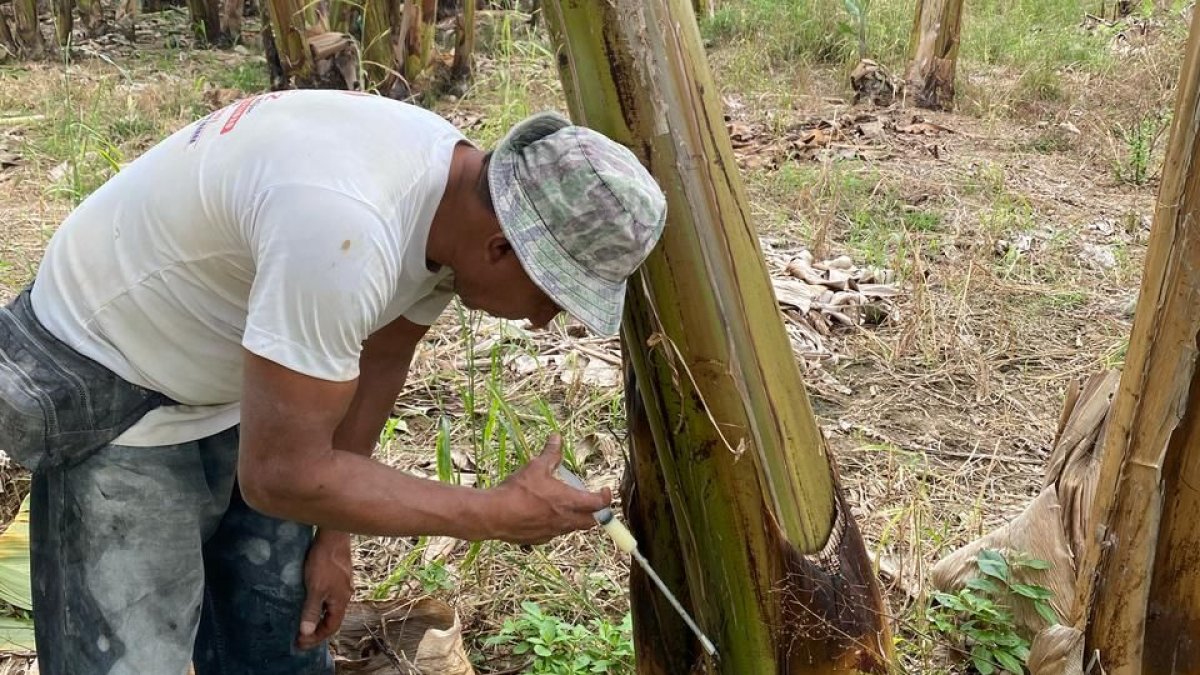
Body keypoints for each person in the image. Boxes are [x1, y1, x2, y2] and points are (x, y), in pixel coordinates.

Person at [0, 89, 667, 675]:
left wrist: (334, 534)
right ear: (499, 247)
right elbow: (279, 474)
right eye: (552, 294)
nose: (547, 319)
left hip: (241, 367)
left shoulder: (452, 203)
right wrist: (492, 512)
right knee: (125, 658)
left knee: (279, 635)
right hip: (116, 373)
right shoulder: (345, 228)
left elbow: (383, 353)